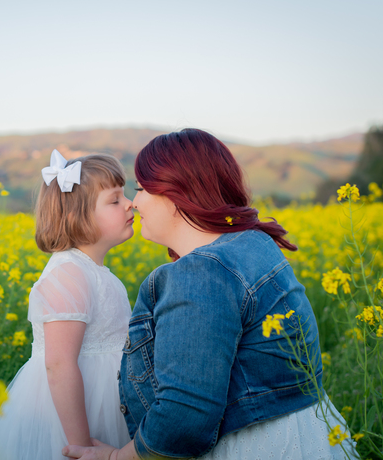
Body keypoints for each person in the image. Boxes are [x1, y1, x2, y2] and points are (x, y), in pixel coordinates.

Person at [64, 129, 357, 460]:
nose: (134, 202)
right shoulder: (252, 242)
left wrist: (115, 457)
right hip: (307, 434)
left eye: (141, 188)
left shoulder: (200, 274)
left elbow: (185, 416)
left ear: (175, 195)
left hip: (256, 447)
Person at [0, 149, 135, 460]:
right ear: (79, 217)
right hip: (76, 416)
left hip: (103, 400)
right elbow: (59, 364)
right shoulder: (69, 273)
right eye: (115, 200)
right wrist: (82, 447)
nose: (130, 203)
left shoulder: (92, 270)